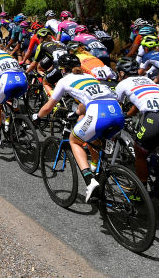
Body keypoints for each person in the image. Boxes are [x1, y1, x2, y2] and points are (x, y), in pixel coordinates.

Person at [36, 53, 125, 202]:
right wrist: (76, 112)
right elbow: (87, 101)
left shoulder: (64, 81)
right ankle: (97, 170)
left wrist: (37, 117)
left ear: (63, 69)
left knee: (75, 141)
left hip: (99, 113)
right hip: (117, 112)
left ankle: (90, 181)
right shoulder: (90, 77)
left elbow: (49, 106)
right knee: (94, 140)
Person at [114, 57, 159, 184]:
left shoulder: (122, 84)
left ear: (122, 73)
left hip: (155, 118)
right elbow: (137, 104)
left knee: (140, 151)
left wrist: (121, 117)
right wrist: (129, 114)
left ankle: (141, 191)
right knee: (158, 145)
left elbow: (116, 107)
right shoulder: (147, 80)